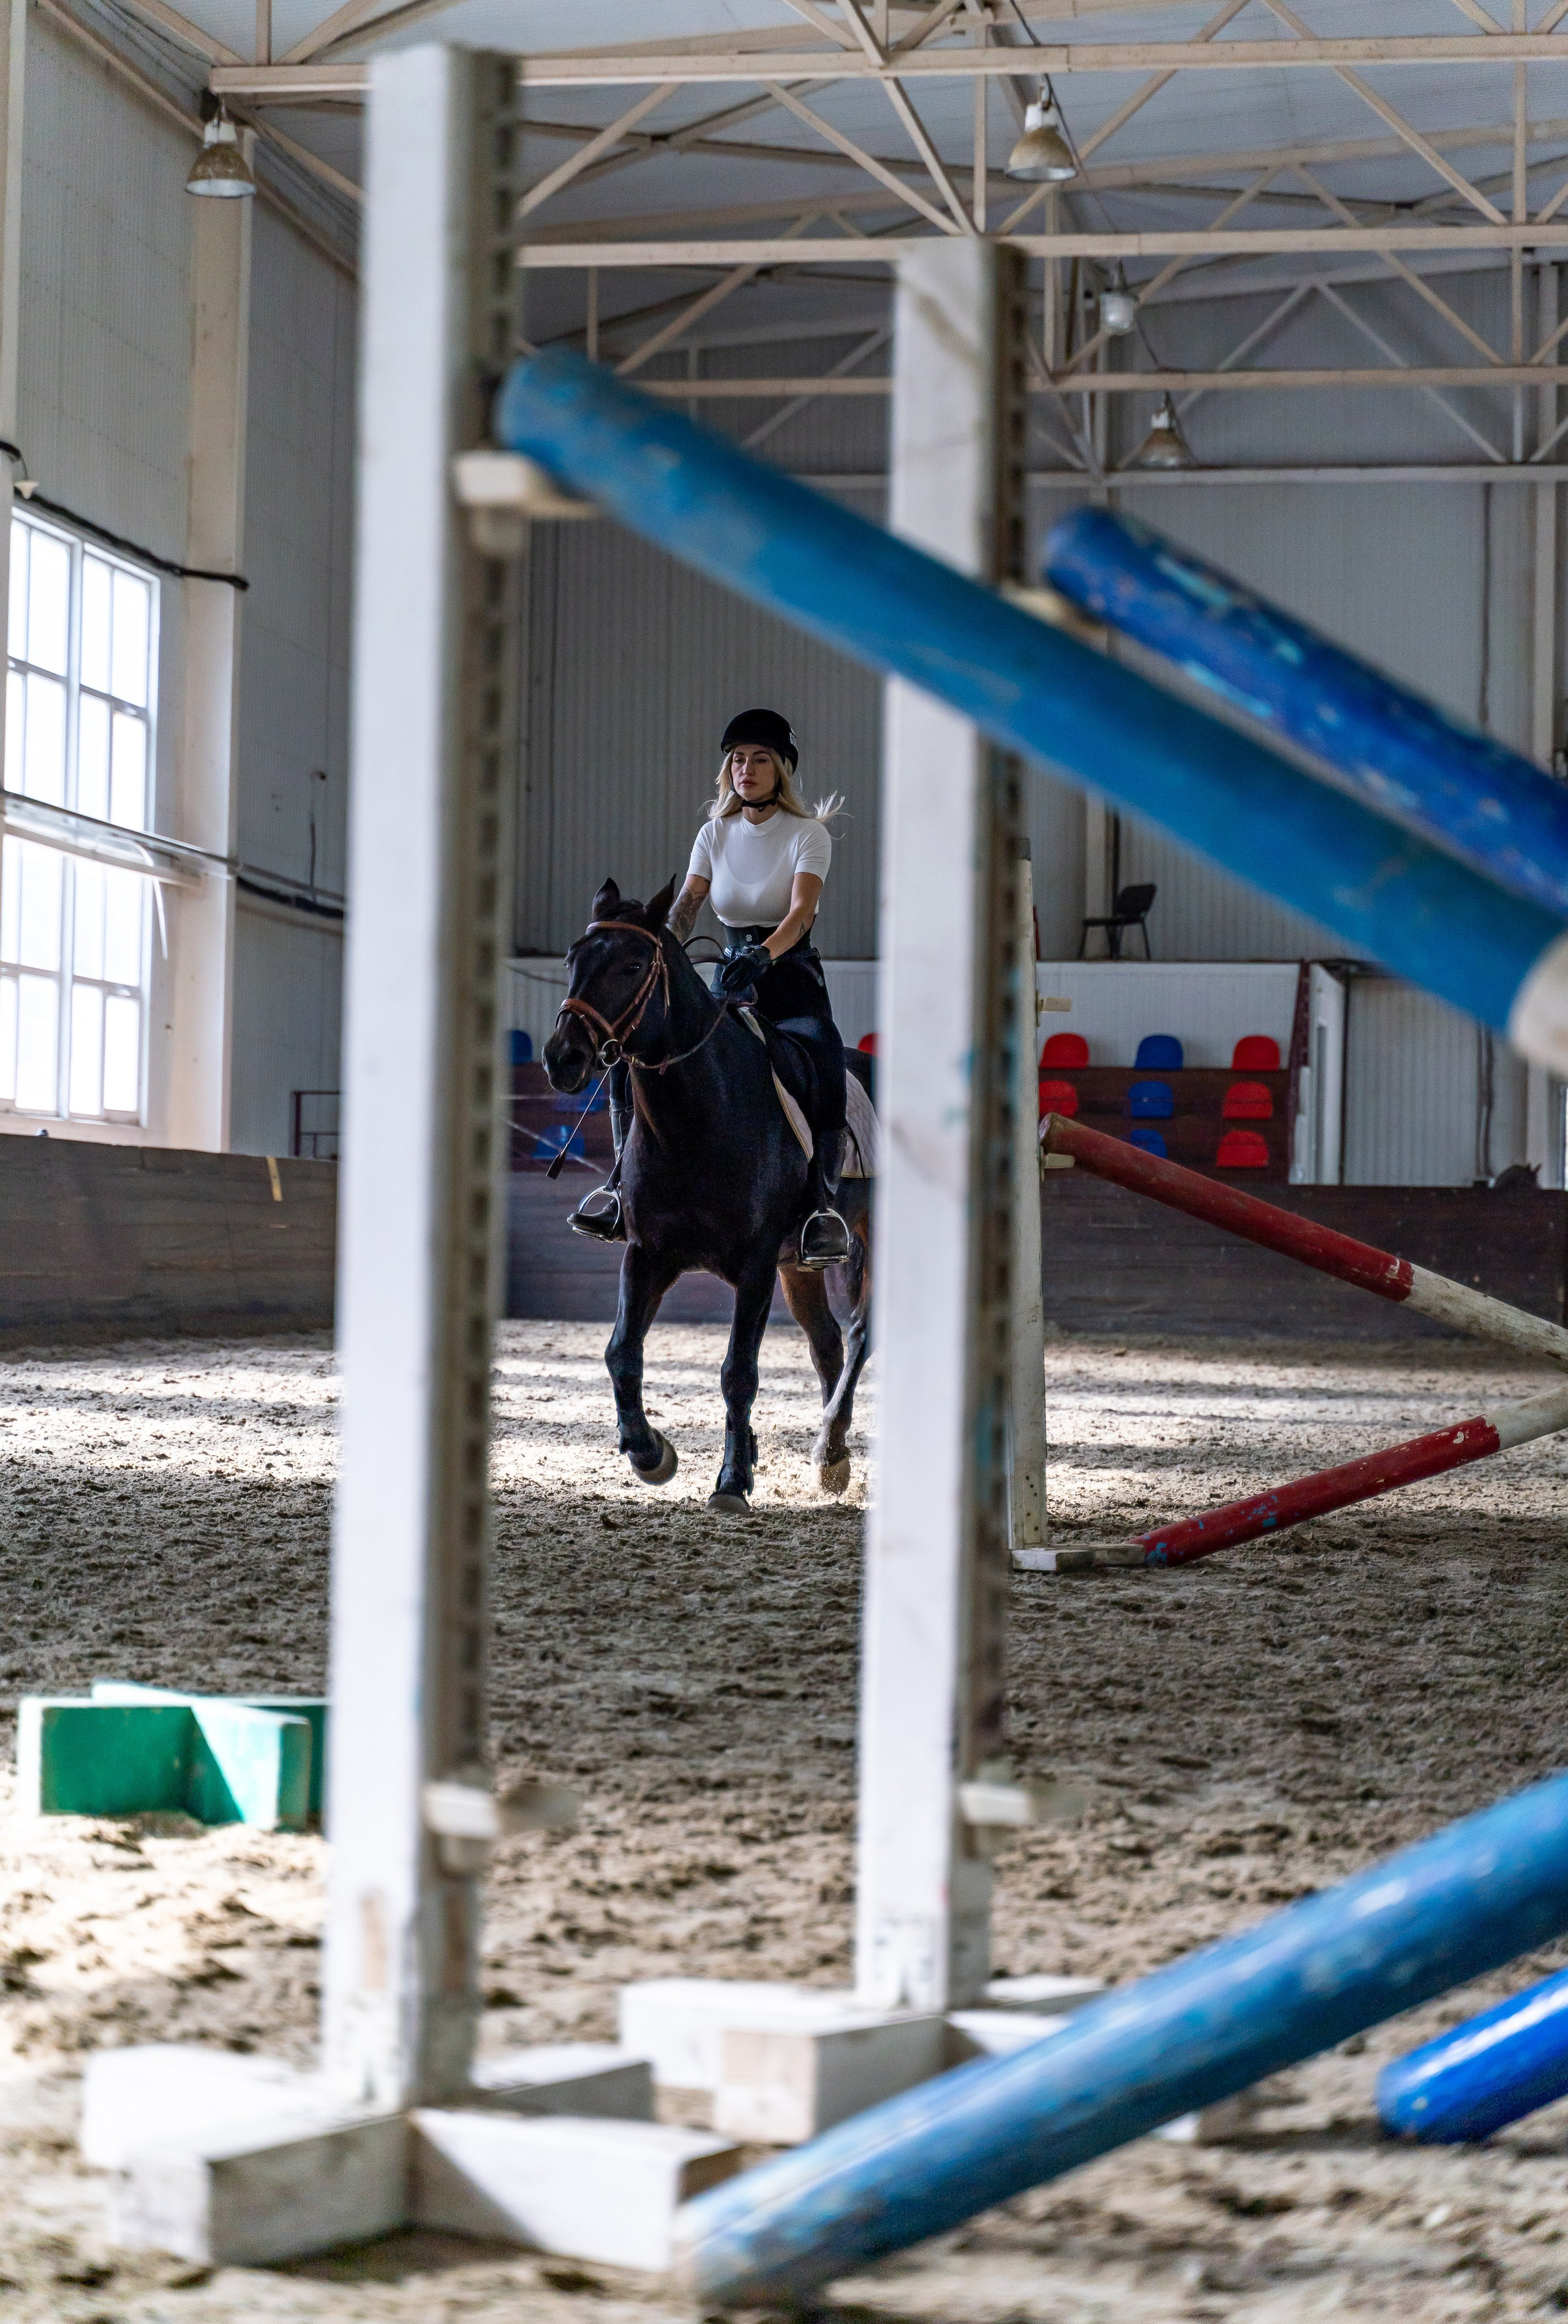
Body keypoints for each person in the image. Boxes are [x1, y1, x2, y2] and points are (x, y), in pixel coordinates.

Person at [570, 707, 852, 1269]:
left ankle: (822, 1206)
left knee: (822, 1054)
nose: (747, 768)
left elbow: (799, 914)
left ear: (782, 770)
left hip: (790, 980)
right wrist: (660, 951)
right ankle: (620, 1185)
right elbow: (688, 906)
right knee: (638, 1054)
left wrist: (763, 954)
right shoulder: (713, 833)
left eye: (761, 759)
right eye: (738, 759)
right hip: (728, 984)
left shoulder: (807, 835)